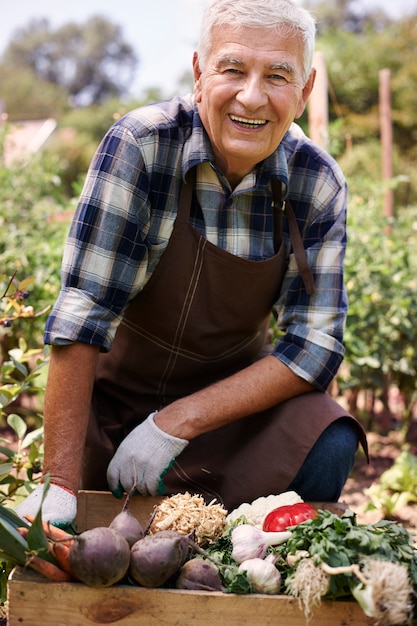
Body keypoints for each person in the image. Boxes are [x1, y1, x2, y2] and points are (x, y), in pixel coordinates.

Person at [16, 0, 368, 528]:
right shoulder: (142, 146)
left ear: (306, 89)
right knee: (80, 519)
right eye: (233, 69)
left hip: (225, 421)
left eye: (277, 75)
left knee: (331, 436)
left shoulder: (315, 182)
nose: (252, 96)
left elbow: (314, 347)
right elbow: (83, 313)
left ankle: (261, 569)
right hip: (111, 414)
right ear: (200, 72)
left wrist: (178, 422)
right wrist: (60, 485)